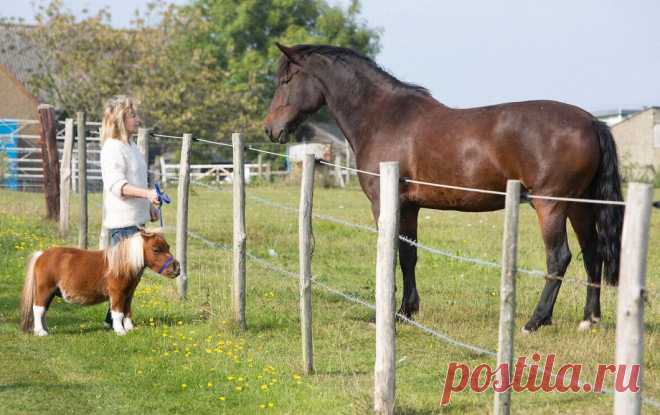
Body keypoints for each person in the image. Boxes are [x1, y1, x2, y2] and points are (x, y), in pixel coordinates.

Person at [99, 95, 159, 327]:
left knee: (132, 276)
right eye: (132, 115)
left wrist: (150, 207)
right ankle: (118, 318)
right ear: (120, 119)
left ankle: (115, 317)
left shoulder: (131, 146)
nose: (137, 119)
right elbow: (118, 187)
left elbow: (137, 181)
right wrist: (147, 194)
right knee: (123, 276)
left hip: (137, 219)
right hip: (122, 223)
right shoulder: (112, 149)